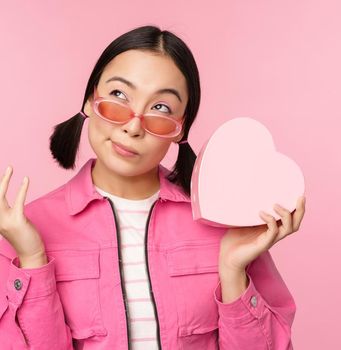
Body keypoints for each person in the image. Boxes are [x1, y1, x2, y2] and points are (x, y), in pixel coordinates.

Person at [0, 25, 306, 350]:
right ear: (90, 100)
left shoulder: (223, 222)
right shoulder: (25, 230)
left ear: (180, 128)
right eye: (118, 96)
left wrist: (233, 272)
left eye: (160, 108)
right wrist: (32, 258)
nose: (133, 126)